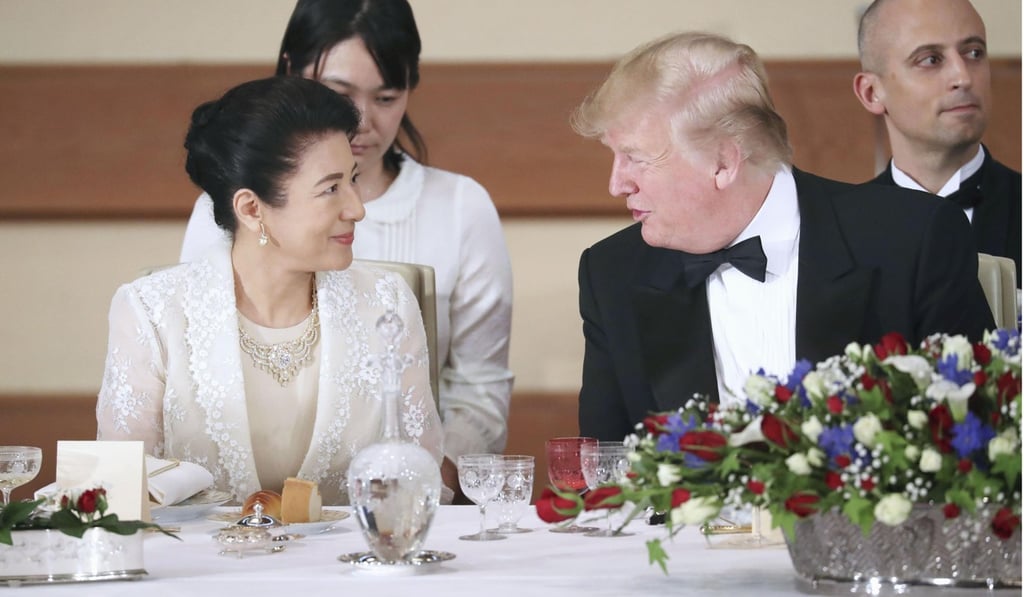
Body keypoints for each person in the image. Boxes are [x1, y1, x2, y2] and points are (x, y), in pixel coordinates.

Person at [572, 32, 995, 442]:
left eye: (636, 158)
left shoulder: (911, 239)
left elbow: (975, 437)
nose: (617, 184)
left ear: (723, 162)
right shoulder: (612, 274)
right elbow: (603, 468)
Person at [178, 0, 513, 498]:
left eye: (387, 97)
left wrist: (417, 480)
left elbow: (480, 389)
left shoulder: (461, 207)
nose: (362, 121)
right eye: (339, 93)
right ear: (291, 71)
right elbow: (194, 368)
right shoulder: (228, 210)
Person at [97, 77, 444, 505]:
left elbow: (421, 480)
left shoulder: (387, 304)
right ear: (251, 208)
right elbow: (120, 494)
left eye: (353, 180)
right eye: (331, 189)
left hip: (351, 549)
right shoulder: (150, 313)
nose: (357, 208)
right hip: (200, 551)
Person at [852, 0, 1021, 280]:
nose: (963, 77)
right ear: (871, 93)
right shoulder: (836, 232)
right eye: (930, 59)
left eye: (974, 53)